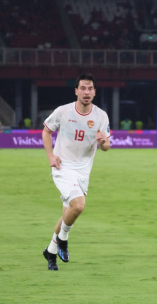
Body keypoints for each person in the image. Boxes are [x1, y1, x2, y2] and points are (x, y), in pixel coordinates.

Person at [41, 74, 111, 270]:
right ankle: (63, 239)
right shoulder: (63, 112)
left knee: (68, 212)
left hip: (83, 171)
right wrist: (50, 157)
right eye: (83, 88)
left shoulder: (101, 116)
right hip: (62, 167)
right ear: (76, 91)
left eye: (90, 89)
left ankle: (51, 252)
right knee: (78, 206)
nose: (86, 92)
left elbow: (106, 147)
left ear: (95, 92)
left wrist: (103, 142)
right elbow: (46, 130)